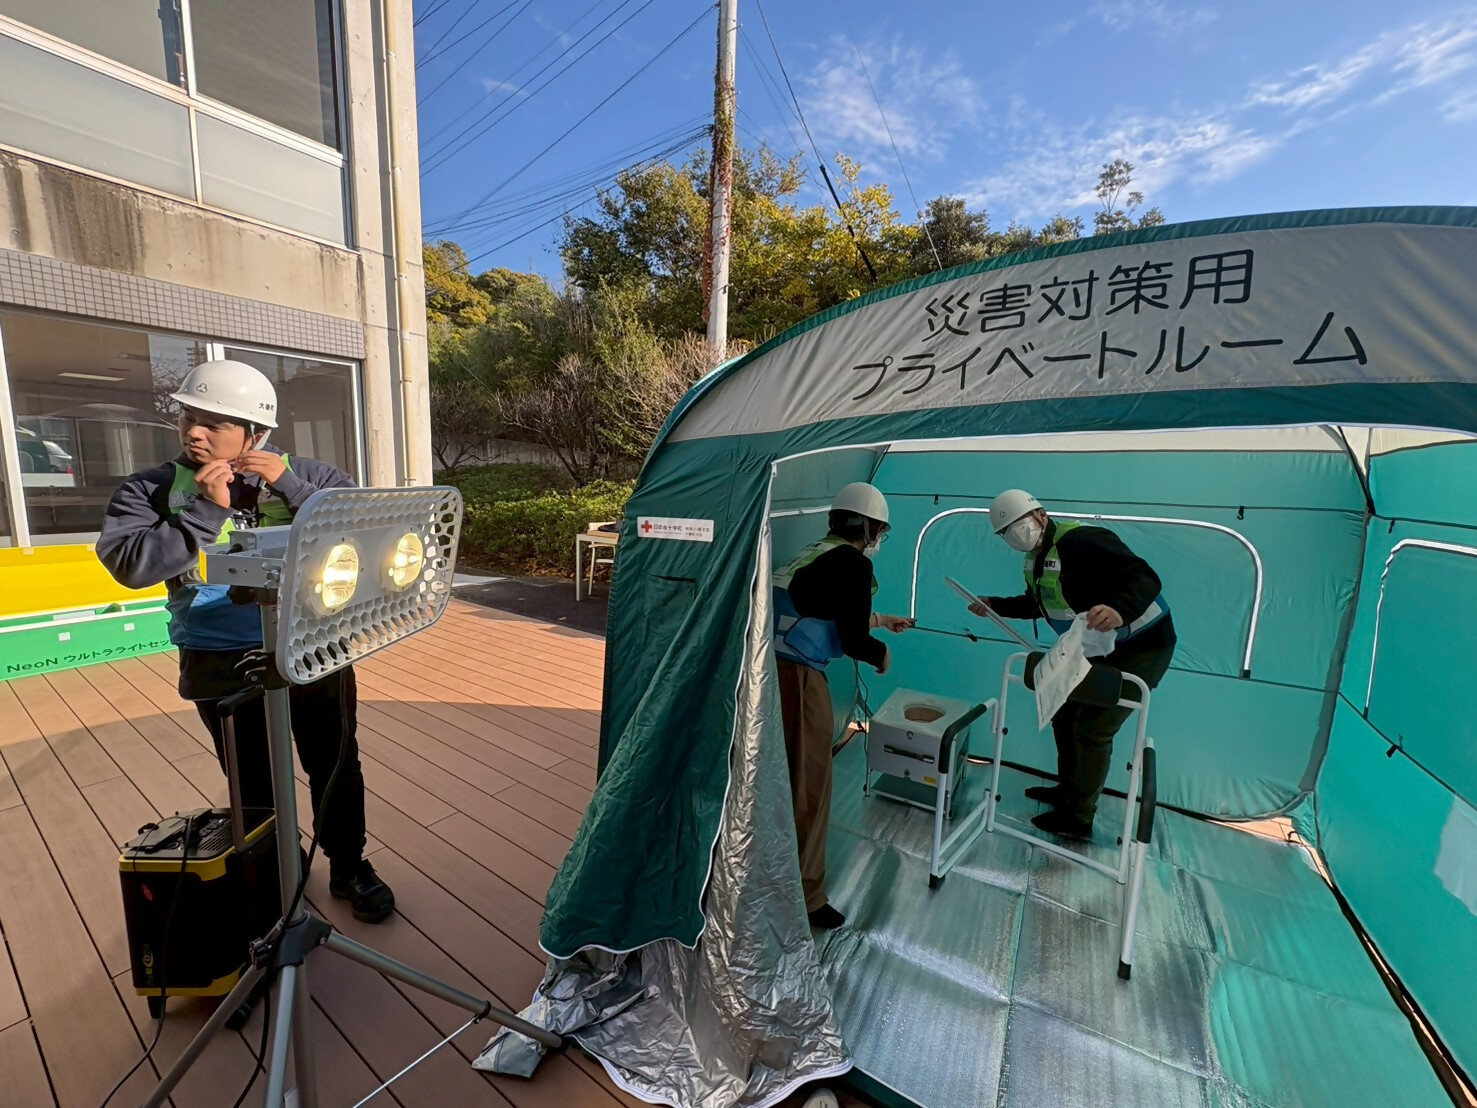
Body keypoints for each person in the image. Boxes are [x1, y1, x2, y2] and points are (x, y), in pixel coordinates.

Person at [96, 359, 394, 924]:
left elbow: (369, 537)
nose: (194, 431)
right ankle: (276, 871)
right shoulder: (151, 488)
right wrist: (207, 511)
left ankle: (349, 864)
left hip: (314, 643)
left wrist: (292, 488)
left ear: (255, 432)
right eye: (188, 416)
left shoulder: (311, 475)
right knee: (251, 778)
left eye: (214, 422)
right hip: (217, 656)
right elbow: (130, 565)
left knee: (334, 762)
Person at [971, 489, 1176, 841]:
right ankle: (1068, 791)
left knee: (1093, 727)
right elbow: (1038, 604)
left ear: (1040, 515)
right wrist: (995, 605)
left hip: (1143, 646)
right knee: (1064, 712)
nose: (1015, 535)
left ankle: (1078, 818)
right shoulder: (1035, 562)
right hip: (1097, 645)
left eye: (1019, 525)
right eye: (1005, 532)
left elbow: (1144, 577)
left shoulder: (1084, 540)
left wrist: (1119, 610)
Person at [773, 482, 913, 929]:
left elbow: (821, 609)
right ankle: (805, 896)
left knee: (777, 779)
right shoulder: (853, 563)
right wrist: (879, 653)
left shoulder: (812, 553)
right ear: (869, 528)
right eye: (879, 530)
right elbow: (852, 638)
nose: (878, 539)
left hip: (764, 672)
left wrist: (880, 620)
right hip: (796, 678)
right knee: (810, 785)